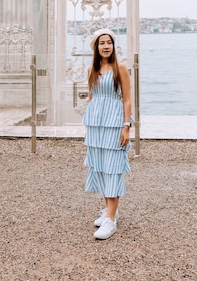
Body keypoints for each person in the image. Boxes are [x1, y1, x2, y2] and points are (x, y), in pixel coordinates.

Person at [83, 28, 132, 240]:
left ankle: (111, 219)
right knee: (101, 167)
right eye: (102, 43)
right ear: (96, 47)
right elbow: (92, 97)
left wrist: (126, 126)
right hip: (96, 125)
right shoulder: (91, 70)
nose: (106, 46)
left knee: (112, 168)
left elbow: (128, 99)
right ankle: (109, 211)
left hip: (114, 123)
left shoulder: (119, 68)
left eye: (109, 42)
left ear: (113, 46)